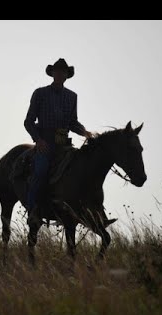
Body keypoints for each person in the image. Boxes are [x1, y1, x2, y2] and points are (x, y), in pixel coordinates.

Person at [24, 58, 95, 224]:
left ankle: (84, 211)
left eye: (63, 71)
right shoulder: (40, 93)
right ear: (52, 73)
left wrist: (85, 132)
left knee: (81, 170)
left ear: (66, 75)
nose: (60, 73)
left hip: (64, 144)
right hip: (45, 143)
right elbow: (28, 121)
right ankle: (33, 211)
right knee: (40, 171)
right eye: (57, 70)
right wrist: (38, 140)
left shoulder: (72, 97)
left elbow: (73, 122)